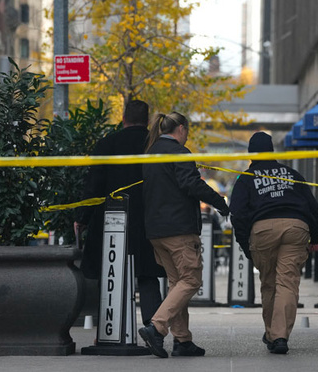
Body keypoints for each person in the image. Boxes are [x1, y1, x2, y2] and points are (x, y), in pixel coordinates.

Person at [138, 112, 229, 358]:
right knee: (191, 280)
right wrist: (218, 201)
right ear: (180, 128)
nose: (186, 136)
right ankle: (157, 328)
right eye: (186, 132)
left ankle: (183, 340)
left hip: (156, 230)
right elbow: (191, 183)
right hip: (178, 229)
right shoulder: (179, 153)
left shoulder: (151, 152)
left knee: (176, 283)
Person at [229, 132, 318, 355]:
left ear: (250, 154)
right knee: (287, 283)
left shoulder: (246, 178)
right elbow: (313, 208)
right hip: (296, 227)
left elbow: (238, 214)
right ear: (272, 151)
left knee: (270, 283)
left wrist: (246, 245)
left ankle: (273, 332)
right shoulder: (292, 174)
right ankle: (278, 336)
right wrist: (317, 238)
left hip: (263, 230)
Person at [74, 99, 166, 328]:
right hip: (147, 221)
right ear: (147, 120)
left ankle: (111, 327)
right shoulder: (155, 146)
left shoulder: (107, 144)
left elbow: (94, 185)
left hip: (111, 221)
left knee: (111, 273)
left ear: (123, 118)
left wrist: (82, 217)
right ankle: (152, 329)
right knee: (147, 276)